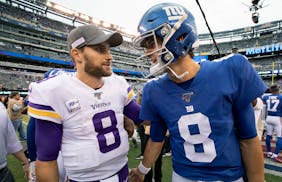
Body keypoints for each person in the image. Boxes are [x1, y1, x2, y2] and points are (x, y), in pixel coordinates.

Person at [129, 3, 266, 182]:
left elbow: (248, 138)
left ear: (179, 36)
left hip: (227, 177)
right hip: (182, 176)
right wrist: (141, 170)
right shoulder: (153, 90)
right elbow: (156, 137)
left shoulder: (231, 69)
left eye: (150, 43)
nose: (147, 53)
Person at [28, 25, 142, 181]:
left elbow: (143, 117)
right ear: (77, 54)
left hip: (122, 175)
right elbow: (47, 160)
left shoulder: (118, 83)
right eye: (100, 50)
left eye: (109, 50)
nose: (109, 57)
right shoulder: (55, 91)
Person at [0, 101, 29, 182]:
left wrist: (25, 163)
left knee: (19, 131)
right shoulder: (11, 102)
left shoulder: (1, 108)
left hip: (2, 172)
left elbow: (11, 141)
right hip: (2, 172)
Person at [262, 84, 282, 163]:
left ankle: (269, 152)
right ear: (278, 89)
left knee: (268, 136)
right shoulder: (280, 97)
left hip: (268, 117)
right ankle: (275, 155)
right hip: (277, 118)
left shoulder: (266, 97)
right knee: (280, 137)